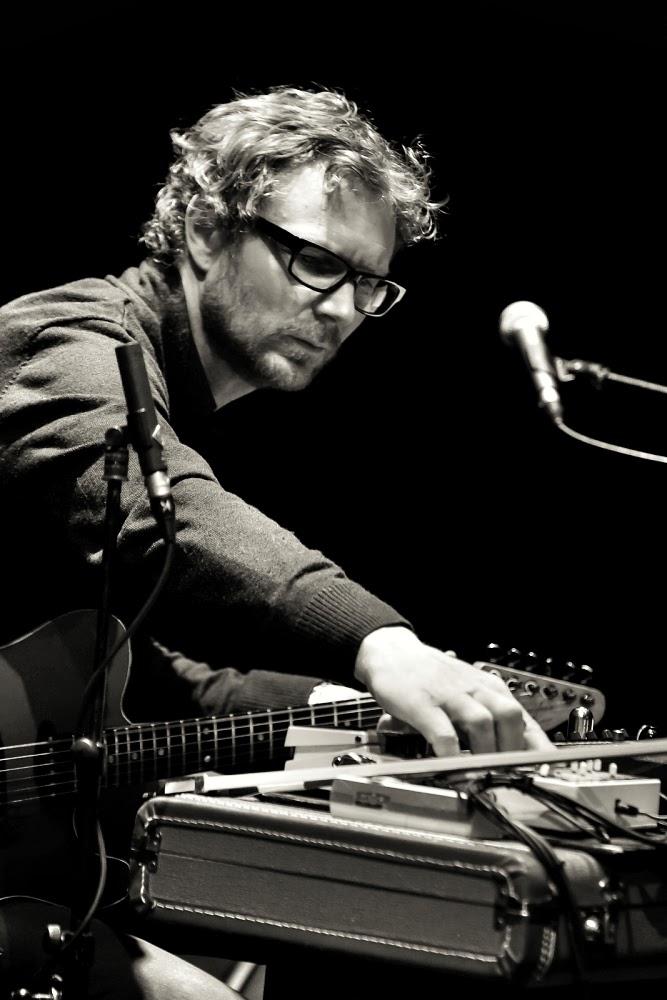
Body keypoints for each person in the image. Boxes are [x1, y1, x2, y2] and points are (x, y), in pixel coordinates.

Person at [0, 84, 553, 999]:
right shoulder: (62, 338)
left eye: (368, 283)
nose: (341, 310)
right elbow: (159, 522)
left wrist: (345, 709)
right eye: (315, 262)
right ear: (204, 230)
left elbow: (162, 680)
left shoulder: (177, 394)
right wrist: (380, 644)